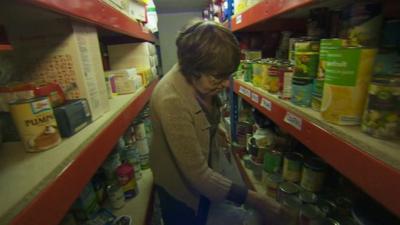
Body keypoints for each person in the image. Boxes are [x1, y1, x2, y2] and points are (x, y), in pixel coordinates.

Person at [149, 20, 281, 225]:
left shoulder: (200, 79)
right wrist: (258, 200)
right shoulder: (171, 100)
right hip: (178, 193)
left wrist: (213, 129)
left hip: (201, 185)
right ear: (193, 70)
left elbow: (202, 114)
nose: (227, 84)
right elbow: (199, 176)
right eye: (218, 78)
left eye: (228, 76)